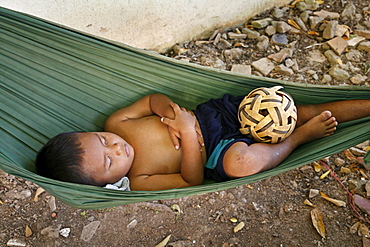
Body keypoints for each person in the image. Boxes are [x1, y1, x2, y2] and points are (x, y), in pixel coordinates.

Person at [36, 93, 370, 191]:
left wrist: (174, 114)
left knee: (287, 109)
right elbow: (190, 179)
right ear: (106, 183)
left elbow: (153, 100)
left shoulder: (118, 123)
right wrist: (187, 137)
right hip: (218, 152)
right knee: (244, 164)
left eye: (103, 141)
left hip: (213, 117)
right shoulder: (140, 180)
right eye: (109, 162)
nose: (116, 148)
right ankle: (300, 137)